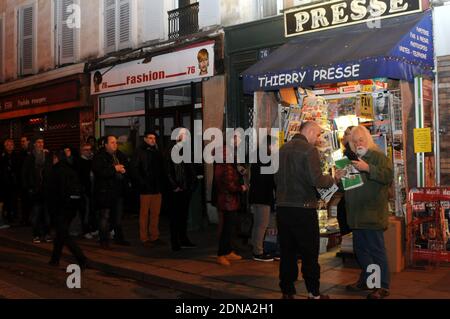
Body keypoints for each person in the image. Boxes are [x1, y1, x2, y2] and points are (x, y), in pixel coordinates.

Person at [274, 121, 344, 299]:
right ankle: (314, 292)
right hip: (303, 209)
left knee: (287, 252)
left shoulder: (281, 149)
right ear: (310, 131)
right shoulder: (308, 150)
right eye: (318, 134)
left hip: (283, 208)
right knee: (309, 253)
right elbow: (317, 180)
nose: (318, 139)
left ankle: (287, 291)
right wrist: (333, 178)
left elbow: (275, 177)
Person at [343, 125, 393, 299]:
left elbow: (388, 176)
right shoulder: (349, 159)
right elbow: (349, 187)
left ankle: (382, 285)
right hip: (356, 215)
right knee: (361, 250)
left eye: (361, 139)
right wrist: (339, 178)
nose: (358, 143)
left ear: (368, 140)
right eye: (354, 141)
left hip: (372, 214)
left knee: (376, 250)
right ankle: (368, 280)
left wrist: (367, 168)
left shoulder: (379, 157)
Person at [48, 151, 88, 270]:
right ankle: (54, 259)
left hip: (60, 207)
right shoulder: (71, 170)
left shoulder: (55, 171)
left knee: (64, 234)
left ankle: (82, 258)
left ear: (56, 158)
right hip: (72, 207)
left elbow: (52, 192)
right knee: (61, 233)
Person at [212, 132, 248, 267]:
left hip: (230, 200)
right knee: (226, 228)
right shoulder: (225, 161)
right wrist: (241, 188)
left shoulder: (228, 161)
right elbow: (228, 182)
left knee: (230, 227)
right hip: (227, 200)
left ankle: (227, 251)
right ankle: (221, 254)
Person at [92, 135, 131, 249]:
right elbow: (99, 172)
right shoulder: (99, 156)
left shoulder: (119, 155)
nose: (115, 145)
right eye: (112, 142)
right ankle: (104, 240)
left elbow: (127, 167)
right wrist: (114, 169)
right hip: (105, 191)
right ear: (106, 145)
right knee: (104, 217)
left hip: (118, 191)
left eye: (116, 142)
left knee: (118, 217)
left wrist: (124, 171)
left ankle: (119, 238)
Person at [130, 131, 166, 246]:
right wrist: (142, 182)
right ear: (145, 139)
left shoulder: (156, 151)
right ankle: (144, 238)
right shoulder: (139, 151)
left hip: (156, 187)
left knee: (155, 213)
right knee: (144, 214)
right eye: (150, 138)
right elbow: (134, 169)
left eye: (154, 138)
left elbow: (161, 168)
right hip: (145, 188)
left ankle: (154, 236)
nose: (153, 140)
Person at [166, 128, 197, 251]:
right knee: (175, 216)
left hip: (185, 188)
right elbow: (167, 170)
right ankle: (175, 241)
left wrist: (192, 184)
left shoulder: (186, 149)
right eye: (183, 134)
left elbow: (189, 168)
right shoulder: (170, 150)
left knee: (183, 216)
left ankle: (183, 238)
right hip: (176, 189)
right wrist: (174, 186)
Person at [249, 135, 276, 262]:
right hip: (263, 196)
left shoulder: (257, 156)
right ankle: (258, 252)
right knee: (262, 225)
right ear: (269, 145)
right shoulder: (266, 159)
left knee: (257, 224)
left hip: (256, 195)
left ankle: (255, 247)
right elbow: (269, 179)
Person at [22, 136, 53, 243]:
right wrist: (29, 188)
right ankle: (36, 234)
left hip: (46, 189)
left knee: (47, 214)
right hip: (35, 190)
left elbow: (51, 171)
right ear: (34, 144)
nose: (41, 144)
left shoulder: (47, 155)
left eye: (42, 142)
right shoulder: (30, 157)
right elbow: (25, 174)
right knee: (36, 213)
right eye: (39, 142)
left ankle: (47, 233)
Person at [336, 126, 354, 236]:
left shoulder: (349, 153)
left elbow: (348, 181)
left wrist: (338, 180)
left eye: (346, 134)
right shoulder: (351, 151)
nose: (343, 136)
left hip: (350, 197)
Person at [79, 143, 97, 239]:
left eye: (90, 149)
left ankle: (92, 228)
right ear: (82, 151)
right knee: (85, 211)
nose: (89, 151)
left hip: (92, 190)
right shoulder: (80, 162)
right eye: (86, 150)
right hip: (84, 190)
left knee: (91, 211)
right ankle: (85, 230)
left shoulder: (91, 161)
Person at [0, 139, 20, 225]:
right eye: (8, 145)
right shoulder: (2, 155)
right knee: (6, 201)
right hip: (4, 183)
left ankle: (14, 216)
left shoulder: (16, 155)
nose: (10, 146)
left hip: (14, 182)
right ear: (5, 146)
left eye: (11, 145)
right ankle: (6, 216)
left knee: (14, 200)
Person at [18, 136, 32, 226]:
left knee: (30, 202)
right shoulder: (20, 153)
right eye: (21, 141)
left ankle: (29, 219)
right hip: (23, 182)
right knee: (24, 202)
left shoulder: (32, 153)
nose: (22, 143)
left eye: (24, 141)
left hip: (30, 181)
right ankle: (25, 219)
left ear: (28, 142)